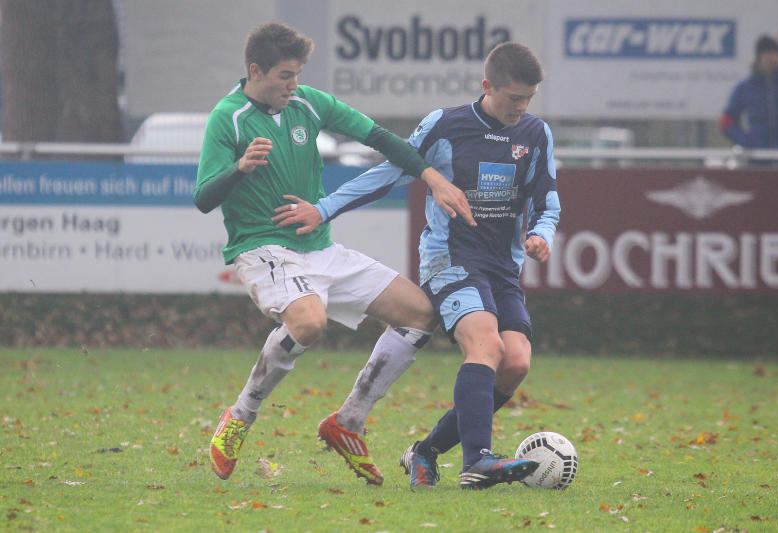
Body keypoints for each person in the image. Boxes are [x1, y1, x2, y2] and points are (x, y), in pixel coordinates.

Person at [195, 21, 474, 486]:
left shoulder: (309, 103)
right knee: (309, 322)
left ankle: (349, 421)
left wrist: (432, 177)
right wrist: (239, 168)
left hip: (320, 248)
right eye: (285, 75)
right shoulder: (228, 117)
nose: (294, 84)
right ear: (256, 71)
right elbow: (204, 197)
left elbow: (380, 138)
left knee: (420, 314)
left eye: (297, 74)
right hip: (261, 247)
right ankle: (240, 415)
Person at [277, 41, 559, 489]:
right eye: (513, 98)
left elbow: (547, 199)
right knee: (486, 346)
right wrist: (325, 208)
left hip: (502, 267)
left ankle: (425, 451)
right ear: (487, 86)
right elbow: (389, 172)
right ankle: (478, 461)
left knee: (516, 363)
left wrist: (542, 233)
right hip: (450, 258)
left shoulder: (535, 133)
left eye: (529, 99)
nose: (521, 107)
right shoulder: (445, 126)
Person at [719, 35, 778, 155]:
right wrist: (746, 141)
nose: (771, 60)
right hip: (756, 155)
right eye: (766, 55)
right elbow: (726, 121)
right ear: (759, 58)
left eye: (774, 55)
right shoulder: (745, 87)